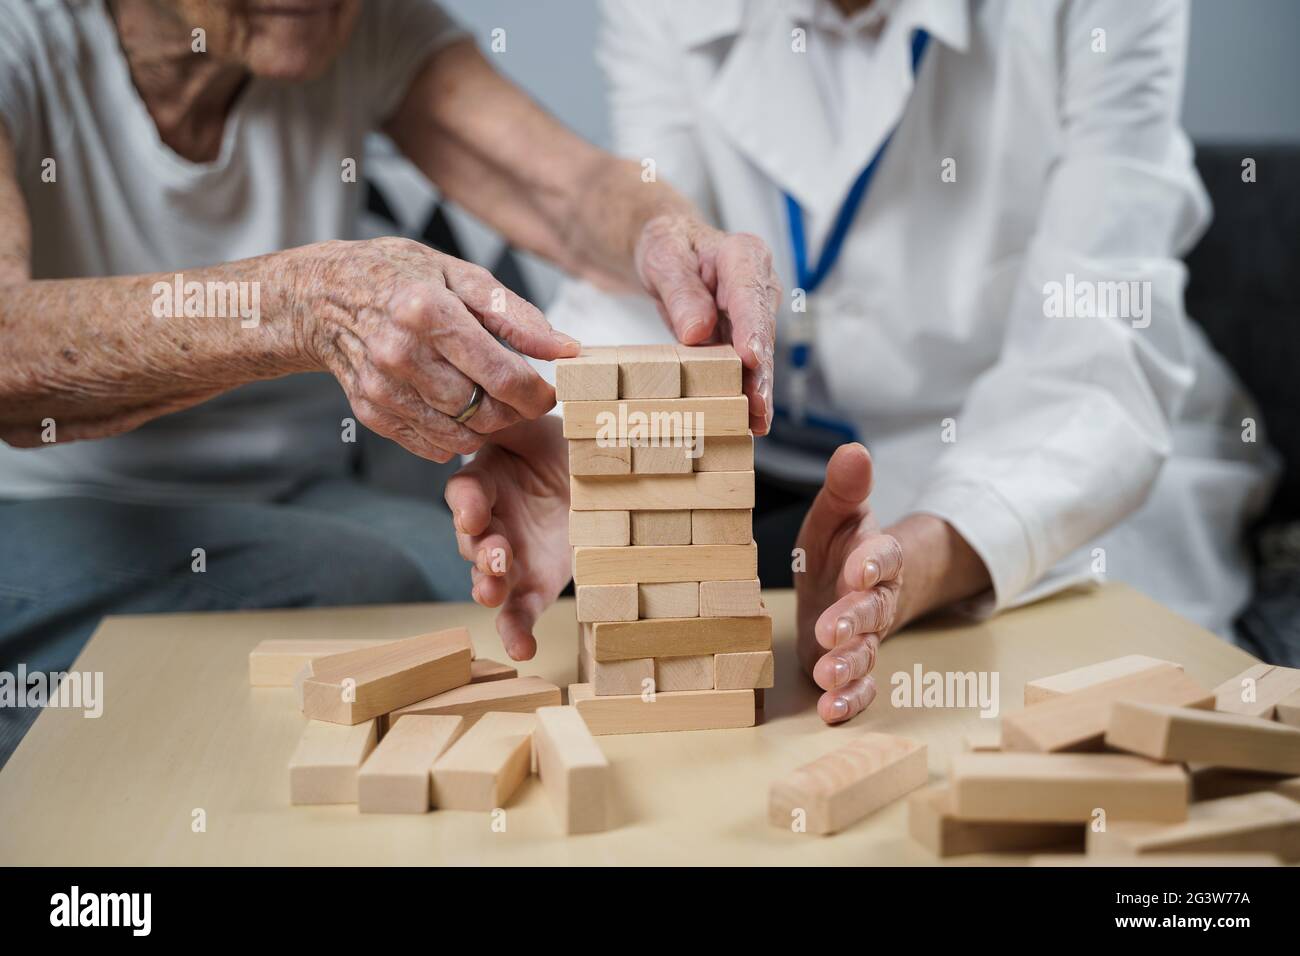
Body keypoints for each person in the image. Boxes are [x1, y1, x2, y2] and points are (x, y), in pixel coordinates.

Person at [445, 0, 1276, 724]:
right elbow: (652, 277)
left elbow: (1096, 328)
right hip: (767, 449)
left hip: (1042, 440)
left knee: (1071, 686)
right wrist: (580, 436)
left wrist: (917, 567)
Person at [0, 0, 777, 764]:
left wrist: (668, 233)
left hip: (295, 490)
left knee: (476, 590)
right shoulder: (22, 39)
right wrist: (301, 304)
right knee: (364, 581)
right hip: (50, 504)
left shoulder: (353, 24)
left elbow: (569, 191)